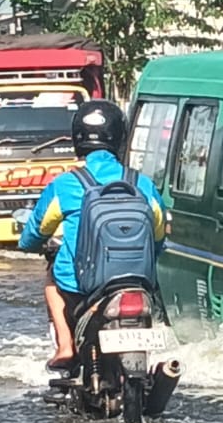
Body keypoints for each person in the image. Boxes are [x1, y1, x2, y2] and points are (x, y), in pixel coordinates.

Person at [18, 99, 166, 371]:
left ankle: (65, 347)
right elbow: (159, 235)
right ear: (121, 138)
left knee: (52, 281)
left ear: (78, 139)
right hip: (137, 281)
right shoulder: (142, 183)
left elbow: (34, 233)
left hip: (82, 286)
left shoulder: (65, 185)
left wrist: (29, 244)